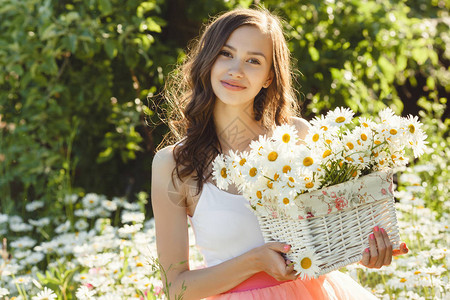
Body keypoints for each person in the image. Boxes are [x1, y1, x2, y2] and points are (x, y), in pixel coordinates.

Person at [151, 7, 408, 300]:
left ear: (269, 77)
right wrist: (255, 261)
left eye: (253, 61)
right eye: (226, 53)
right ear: (207, 60)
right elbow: (176, 289)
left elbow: (327, 237)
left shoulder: (297, 137)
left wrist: (363, 250)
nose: (236, 69)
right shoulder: (173, 165)